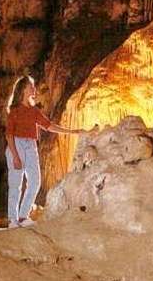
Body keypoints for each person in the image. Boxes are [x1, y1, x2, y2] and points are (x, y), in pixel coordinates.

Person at [5, 75, 91, 229]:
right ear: (23, 90)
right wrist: (15, 156)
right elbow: (9, 135)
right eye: (31, 86)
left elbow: (50, 126)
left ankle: (23, 216)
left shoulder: (34, 111)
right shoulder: (15, 111)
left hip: (31, 145)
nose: (34, 89)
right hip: (16, 144)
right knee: (16, 184)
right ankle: (12, 219)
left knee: (35, 181)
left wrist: (74, 131)